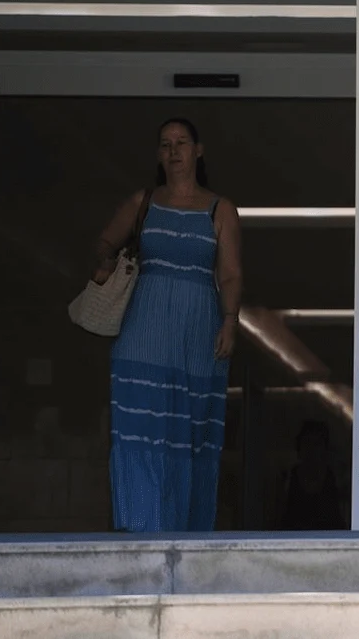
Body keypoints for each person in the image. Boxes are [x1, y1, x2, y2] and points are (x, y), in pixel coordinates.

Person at [92, 118, 242, 532]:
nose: (173, 150)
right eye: (165, 144)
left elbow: (230, 274)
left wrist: (230, 320)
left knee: (189, 439)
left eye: (181, 142)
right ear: (159, 154)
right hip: (143, 335)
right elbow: (106, 240)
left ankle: (185, 542)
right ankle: (141, 535)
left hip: (197, 336)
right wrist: (106, 261)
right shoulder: (144, 202)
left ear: (198, 150)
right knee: (141, 434)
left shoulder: (219, 209)